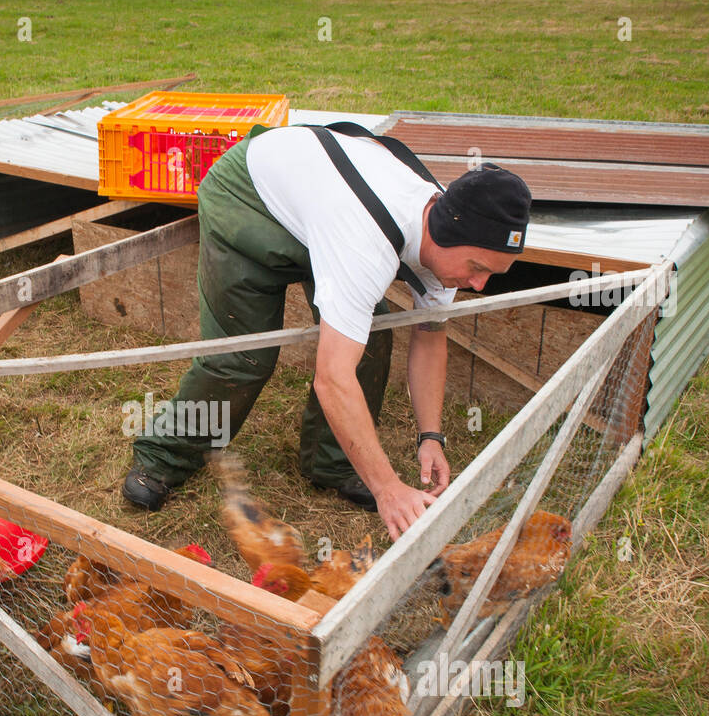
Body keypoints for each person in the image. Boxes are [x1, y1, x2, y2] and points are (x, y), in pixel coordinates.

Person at [122, 121, 532, 541]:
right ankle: (163, 457)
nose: (479, 285)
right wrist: (388, 488)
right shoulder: (366, 243)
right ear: (445, 233)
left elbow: (429, 334)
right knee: (242, 358)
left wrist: (431, 436)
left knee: (371, 336)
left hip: (322, 211)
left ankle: (332, 463)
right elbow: (333, 378)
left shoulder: (446, 246)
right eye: (477, 269)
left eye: (490, 274)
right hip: (248, 196)